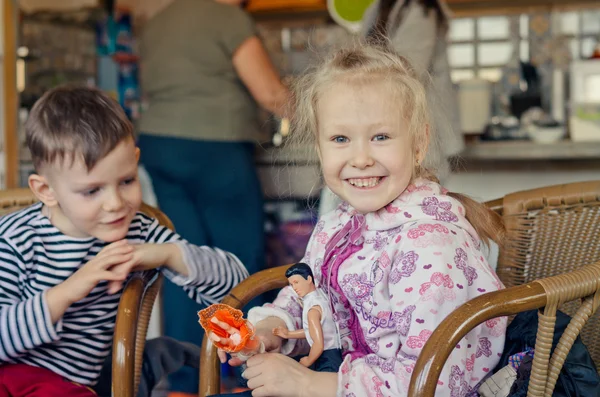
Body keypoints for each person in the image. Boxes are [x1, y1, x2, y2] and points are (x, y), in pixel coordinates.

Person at [213, 44, 507, 397]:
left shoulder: (430, 245)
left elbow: (432, 380)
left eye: (380, 137)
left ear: (419, 143)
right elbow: (307, 294)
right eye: (340, 139)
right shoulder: (338, 225)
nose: (361, 158)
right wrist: (273, 330)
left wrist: (309, 385)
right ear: (320, 149)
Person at [0, 86, 248, 397]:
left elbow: (236, 284)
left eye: (126, 181)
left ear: (135, 161)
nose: (115, 203)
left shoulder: (138, 229)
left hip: (76, 388)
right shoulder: (15, 240)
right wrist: (68, 291)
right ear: (46, 190)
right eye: (92, 191)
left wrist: (167, 254)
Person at [135, 0, 290, 391]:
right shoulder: (228, 18)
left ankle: (188, 379)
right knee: (242, 262)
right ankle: (249, 372)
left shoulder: (158, 20)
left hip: (158, 147)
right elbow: (271, 92)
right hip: (214, 148)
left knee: (182, 262)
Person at [319, 0, 463, 216]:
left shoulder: (420, 10)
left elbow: (406, 71)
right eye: (340, 139)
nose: (360, 160)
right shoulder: (376, 9)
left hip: (411, 131)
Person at [271, 263, 342, 372]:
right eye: (291, 284)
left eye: (296, 282)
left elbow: (318, 345)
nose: (294, 288)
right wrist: (289, 334)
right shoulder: (319, 297)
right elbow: (312, 331)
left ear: (309, 279)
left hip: (327, 356)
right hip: (328, 354)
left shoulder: (313, 309)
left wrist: (308, 360)